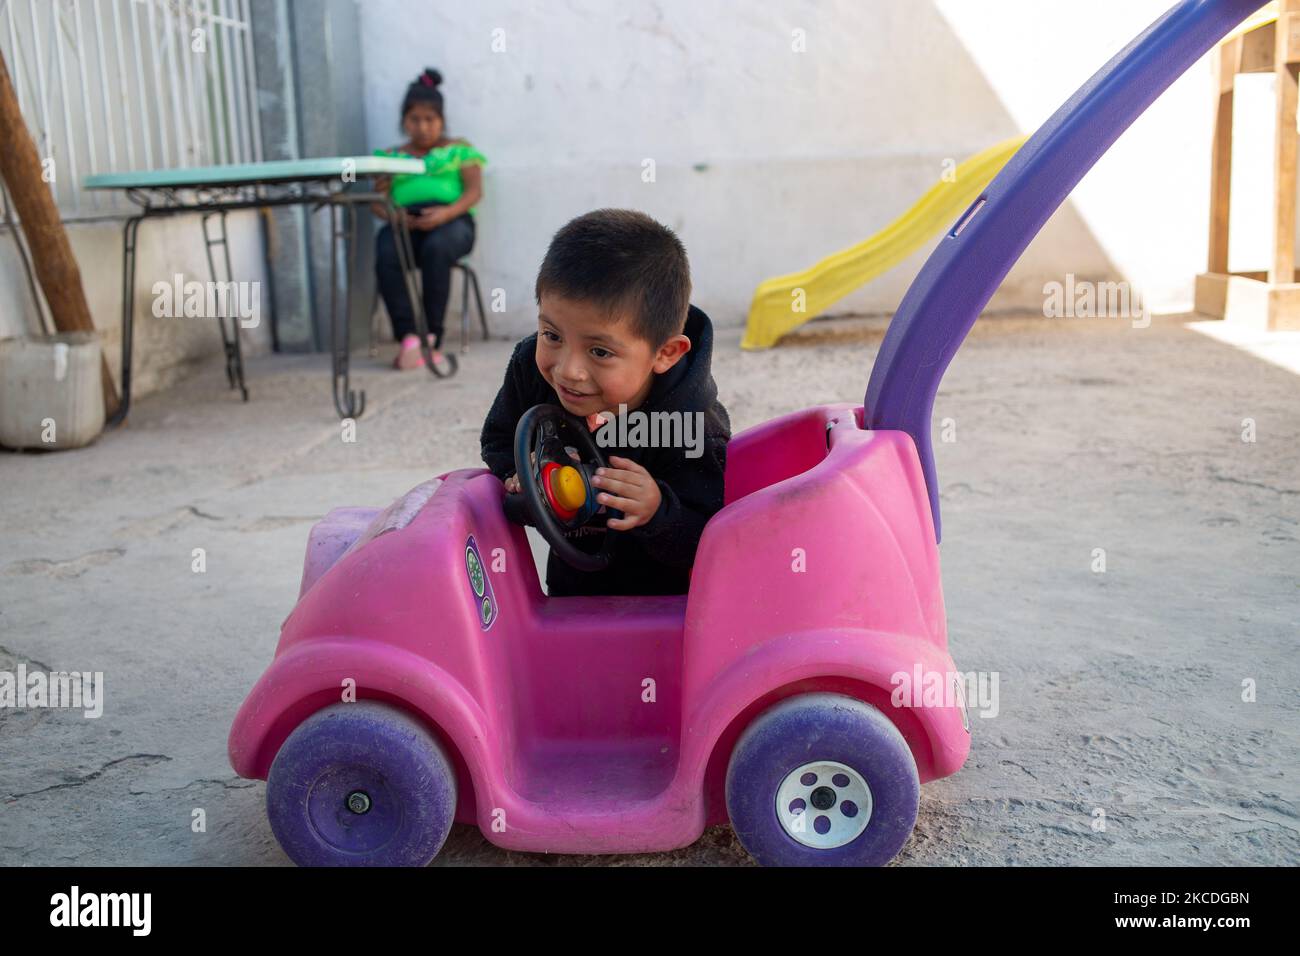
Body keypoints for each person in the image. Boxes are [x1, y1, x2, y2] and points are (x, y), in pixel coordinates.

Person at [480, 209, 731, 597]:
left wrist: (658, 510)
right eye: (552, 335)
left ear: (665, 353)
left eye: (599, 351)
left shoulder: (692, 426)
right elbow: (499, 438)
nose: (568, 370)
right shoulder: (531, 371)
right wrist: (517, 474)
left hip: (662, 611)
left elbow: (714, 541)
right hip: (570, 593)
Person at [372, 68, 486, 372]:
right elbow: (377, 204)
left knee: (437, 247)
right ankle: (408, 336)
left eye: (430, 119)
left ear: (442, 120)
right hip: (404, 225)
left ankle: (431, 336)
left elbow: (474, 192)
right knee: (386, 249)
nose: (422, 127)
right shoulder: (389, 157)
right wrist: (393, 216)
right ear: (404, 122)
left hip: (453, 222)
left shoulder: (459, 150)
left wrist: (444, 214)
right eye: (414, 120)